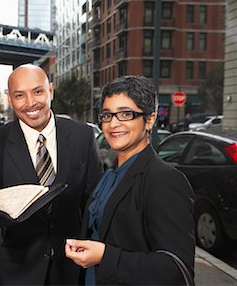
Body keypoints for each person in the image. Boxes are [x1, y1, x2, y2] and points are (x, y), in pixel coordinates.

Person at [65, 76, 195, 285]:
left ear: (150, 120)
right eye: (107, 115)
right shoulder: (110, 173)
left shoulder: (164, 180)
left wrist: (105, 256)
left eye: (126, 114)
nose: (113, 124)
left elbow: (175, 270)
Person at [0, 64, 103, 285]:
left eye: (38, 91)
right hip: (15, 271)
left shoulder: (82, 136)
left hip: (72, 269)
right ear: (10, 99)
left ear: (51, 91)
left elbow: (94, 203)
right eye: (19, 95)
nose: (30, 103)